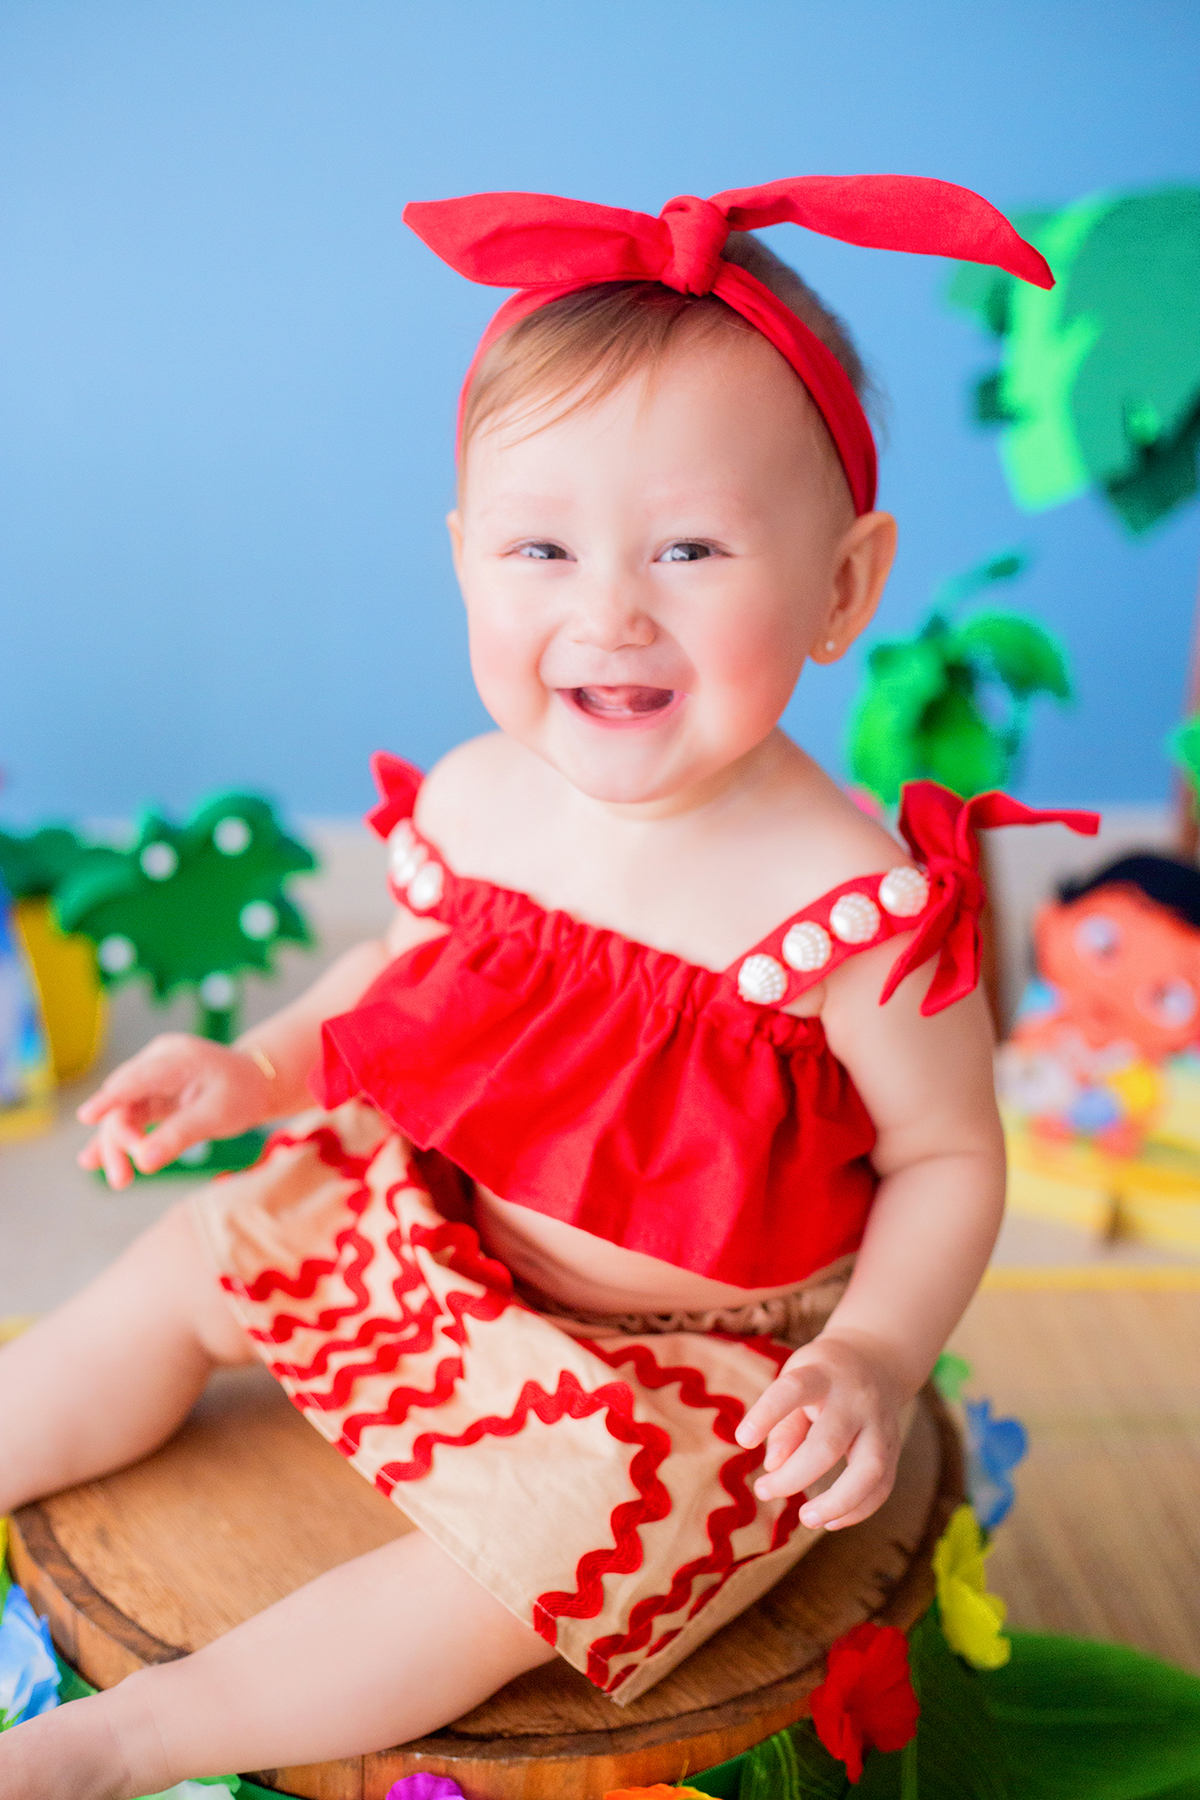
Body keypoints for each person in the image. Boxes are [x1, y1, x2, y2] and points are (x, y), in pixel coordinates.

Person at [0, 176, 1094, 1798]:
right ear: (462, 562)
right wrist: (261, 1070)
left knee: (553, 1557)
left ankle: (143, 1736)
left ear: (846, 586)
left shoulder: (855, 905)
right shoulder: (480, 797)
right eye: (541, 546)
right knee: (197, 1256)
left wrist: (870, 1354)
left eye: (693, 547)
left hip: (698, 1358)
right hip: (442, 1224)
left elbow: (948, 1155)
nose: (610, 610)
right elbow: (401, 978)